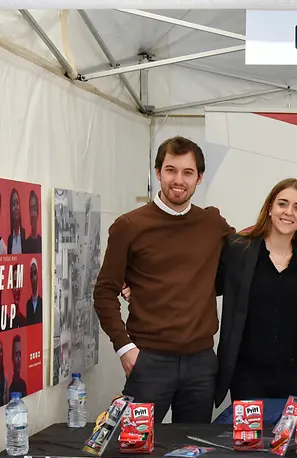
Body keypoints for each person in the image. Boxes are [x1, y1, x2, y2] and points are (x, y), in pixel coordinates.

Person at [93, 136, 234, 424]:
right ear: (158, 173)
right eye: (171, 170)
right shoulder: (129, 226)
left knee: (192, 457)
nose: (178, 180)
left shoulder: (212, 224)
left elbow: (236, 269)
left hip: (201, 364)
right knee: (136, 456)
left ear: (199, 178)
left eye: (187, 172)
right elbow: (104, 292)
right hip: (149, 361)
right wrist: (125, 349)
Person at [215, 178, 297, 407]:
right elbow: (203, 284)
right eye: (282, 204)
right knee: (248, 442)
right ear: (270, 207)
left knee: (293, 443)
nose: (288, 212)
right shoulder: (238, 248)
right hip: (248, 374)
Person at [6, 188, 25, 254]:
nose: (16, 207)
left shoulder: (25, 235)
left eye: (17, 203)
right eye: (13, 204)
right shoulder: (10, 239)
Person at [24, 191, 43, 255]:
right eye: (30, 210)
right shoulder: (25, 244)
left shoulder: (42, 242)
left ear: (38, 213)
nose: (32, 214)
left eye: (34, 209)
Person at [25, 259, 43, 324]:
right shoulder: (28, 304)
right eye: (31, 275)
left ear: (38, 275)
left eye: (35, 273)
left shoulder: (42, 303)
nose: (33, 278)